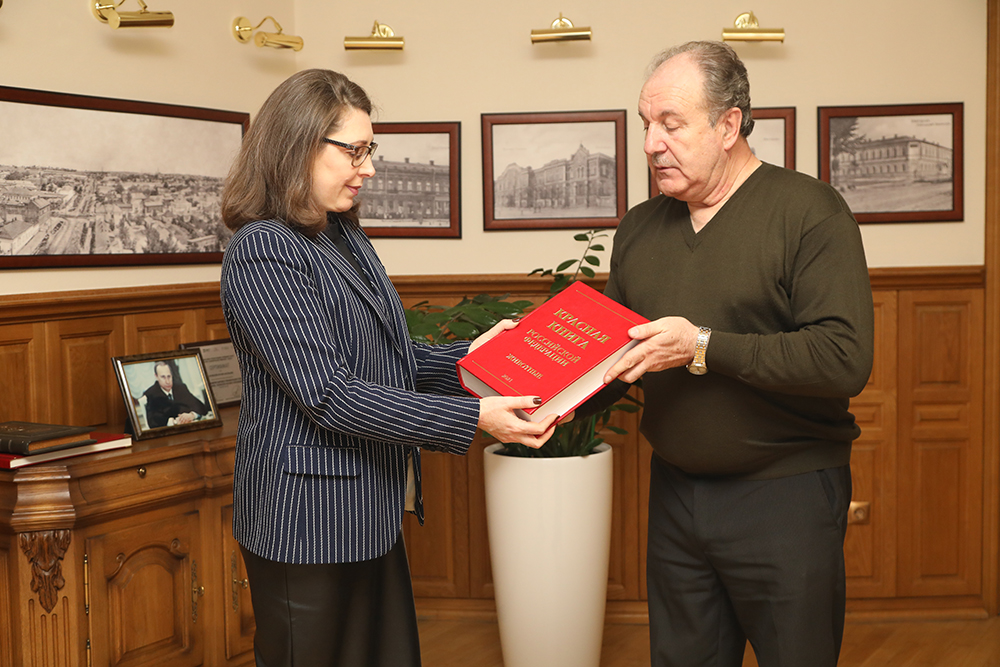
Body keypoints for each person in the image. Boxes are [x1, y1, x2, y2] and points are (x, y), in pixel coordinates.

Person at [219, 69, 557, 667]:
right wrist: (474, 417)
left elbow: (388, 363)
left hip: (367, 511)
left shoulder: (343, 235)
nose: (369, 168)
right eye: (354, 151)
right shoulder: (263, 249)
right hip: (305, 523)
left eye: (369, 150)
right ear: (298, 145)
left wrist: (477, 358)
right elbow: (330, 394)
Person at [581, 42, 875, 666]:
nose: (651, 144)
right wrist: (536, 386)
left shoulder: (809, 211)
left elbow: (843, 358)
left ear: (728, 124)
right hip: (675, 497)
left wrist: (702, 347)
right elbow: (617, 360)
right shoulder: (639, 228)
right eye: (646, 124)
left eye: (671, 124)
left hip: (786, 496)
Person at [142, 360, 209, 428]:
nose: (167, 381)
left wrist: (192, 415)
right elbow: (152, 421)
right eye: (163, 377)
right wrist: (174, 422)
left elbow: (201, 407)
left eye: (169, 376)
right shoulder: (151, 393)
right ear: (156, 377)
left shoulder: (181, 387)